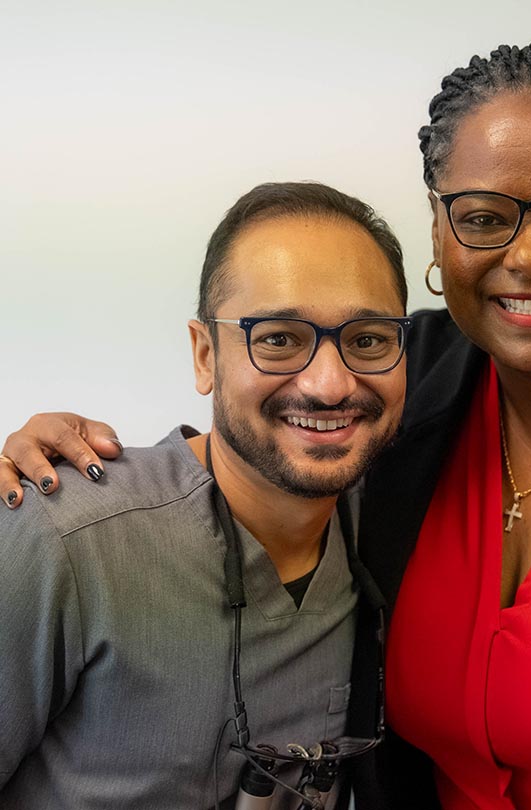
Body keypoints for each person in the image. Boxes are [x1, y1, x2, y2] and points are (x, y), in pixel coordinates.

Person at [3, 41, 531, 810]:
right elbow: (271, 425)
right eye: (484, 216)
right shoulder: (408, 374)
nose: (530, 254)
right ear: (439, 232)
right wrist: (73, 472)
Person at [0, 181, 411, 808]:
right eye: (277, 338)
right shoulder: (64, 537)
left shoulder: (387, 520)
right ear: (205, 354)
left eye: (369, 340)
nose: (330, 384)